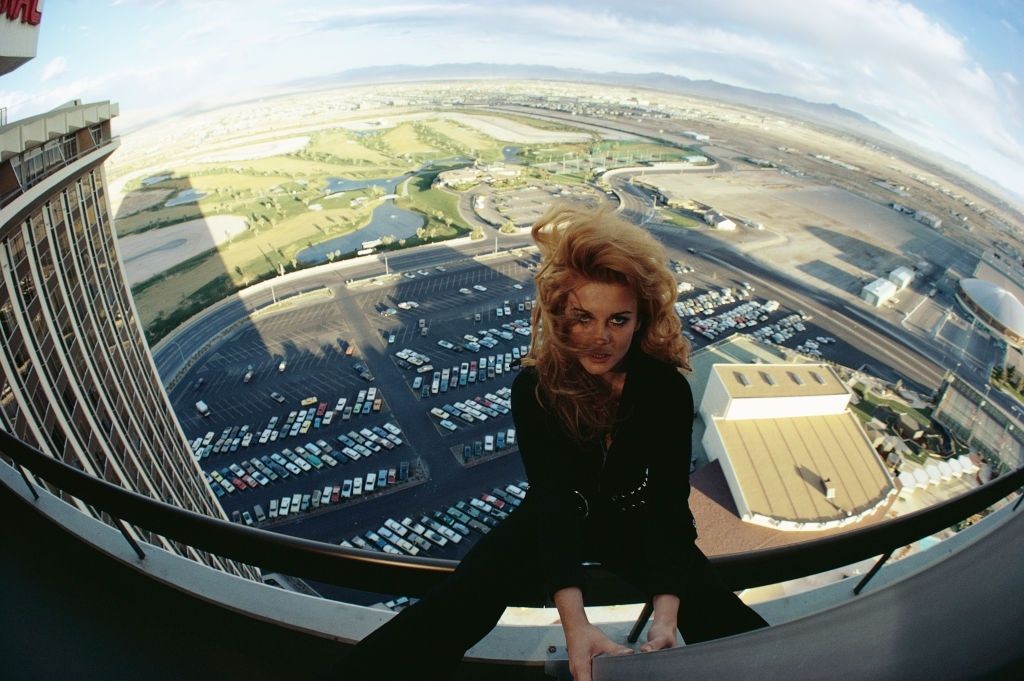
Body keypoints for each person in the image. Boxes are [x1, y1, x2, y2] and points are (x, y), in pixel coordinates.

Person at [342, 203, 767, 680]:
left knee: (733, 626)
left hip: (639, 518)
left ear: (641, 319)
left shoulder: (664, 388)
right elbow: (555, 498)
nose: (599, 339)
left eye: (618, 320)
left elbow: (668, 503)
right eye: (583, 318)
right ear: (560, 317)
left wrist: (668, 616)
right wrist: (575, 625)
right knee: (453, 606)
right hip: (554, 514)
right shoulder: (536, 387)